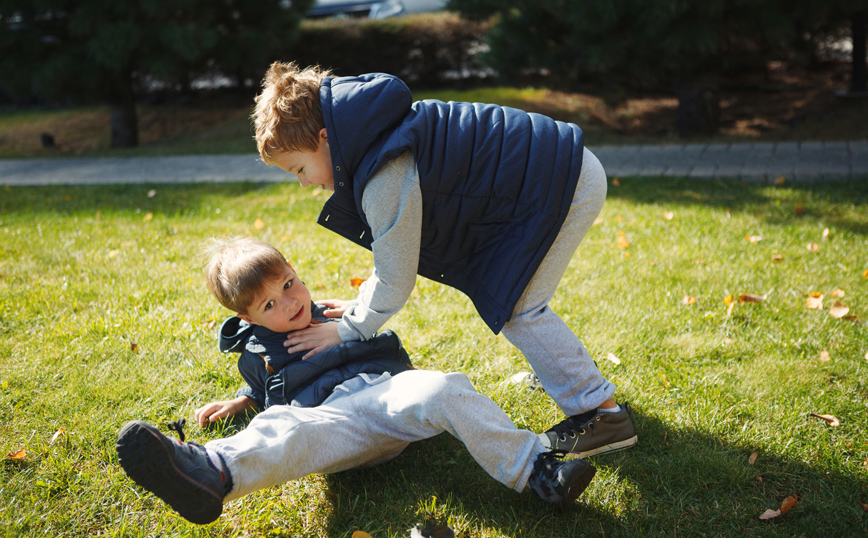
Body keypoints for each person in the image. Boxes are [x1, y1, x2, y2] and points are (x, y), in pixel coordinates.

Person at [251, 62, 637, 459]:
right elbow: (394, 249)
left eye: (300, 168)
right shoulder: (375, 135)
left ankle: (601, 417)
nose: (304, 183)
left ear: (326, 137)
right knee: (520, 297)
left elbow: (395, 278)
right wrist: (359, 306)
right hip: (556, 173)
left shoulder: (383, 169)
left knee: (521, 309)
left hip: (559, 184)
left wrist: (347, 330)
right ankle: (565, 376)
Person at [116, 237, 596, 525]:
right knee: (287, 425)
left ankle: (538, 470)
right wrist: (242, 400)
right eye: (269, 304)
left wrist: (353, 324)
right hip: (334, 423)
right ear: (248, 316)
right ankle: (209, 471)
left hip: (388, 397)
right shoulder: (258, 355)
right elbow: (262, 393)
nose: (289, 303)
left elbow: (390, 342)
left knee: (445, 386)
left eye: (288, 283)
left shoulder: (333, 313)